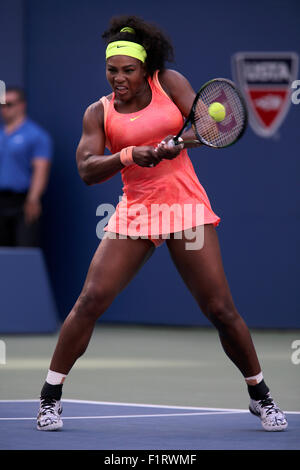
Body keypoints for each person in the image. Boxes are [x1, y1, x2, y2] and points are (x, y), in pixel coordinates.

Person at [36, 15, 287, 432]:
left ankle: (260, 396)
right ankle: (49, 398)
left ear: (145, 68)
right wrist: (132, 154)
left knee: (220, 309)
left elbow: (215, 123)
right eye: (112, 70)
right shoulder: (97, 113)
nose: (120, 78)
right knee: (91, 300)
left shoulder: (168, 83)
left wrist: (178, 143)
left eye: (128, 70)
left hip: (186, 209)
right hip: (136, 213)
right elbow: (87, 169)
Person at [0, 87, 52, 247]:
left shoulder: (36, 135)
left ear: (21, 105)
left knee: (24, 250)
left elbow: (41, 170)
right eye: (1, 105)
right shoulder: (1, 134)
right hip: (0, 201)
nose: (4, 109)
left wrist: (33, 198)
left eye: (9, 104)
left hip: (22, 202)